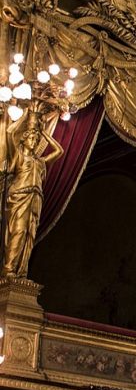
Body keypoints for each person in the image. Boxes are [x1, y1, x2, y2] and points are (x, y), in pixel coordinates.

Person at [2, 111, 63, 278]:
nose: (34, 141)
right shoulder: (20, 157)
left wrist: (43, 132)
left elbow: (59, 151)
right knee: (19, 231)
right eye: (31, 138)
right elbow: (9, 133)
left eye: (36, 140)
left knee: (29, 234)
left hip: (35, 198)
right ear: (24, 139)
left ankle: (20, 271)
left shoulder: (39, 161)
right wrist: (24, 116)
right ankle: (8, 268)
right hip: (19, 196)